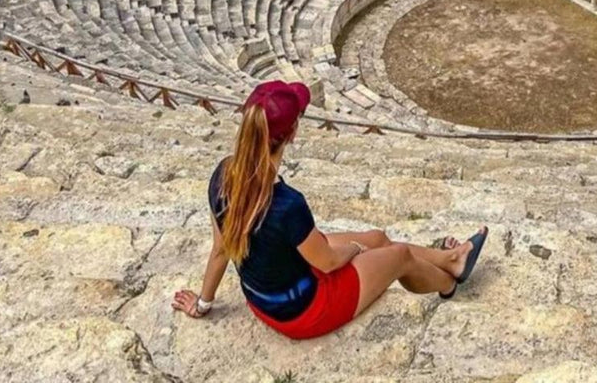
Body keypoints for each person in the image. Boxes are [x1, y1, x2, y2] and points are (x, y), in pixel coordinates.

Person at [171, 80, 487, 339]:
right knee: (399, 255)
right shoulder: (287, 204)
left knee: (378, 237)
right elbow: (329, 261)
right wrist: (356, 248)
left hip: (265, 297)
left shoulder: (223, 175)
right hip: (304, 311)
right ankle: (448, 284)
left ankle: (451, 260)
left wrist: (203, 303)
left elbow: (219, 250)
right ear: (292, 133)